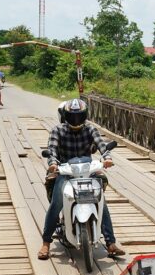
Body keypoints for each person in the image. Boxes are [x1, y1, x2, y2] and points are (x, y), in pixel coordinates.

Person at [38, 98, 126, 260]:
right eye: (73, 116)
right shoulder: (58, 130)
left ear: (84, 115)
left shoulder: (90, 130)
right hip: (65, 171)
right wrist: (53, 163)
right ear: (66, 115)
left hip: (87, 170)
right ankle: (46, 243)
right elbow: (52, 149)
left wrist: (107, 157)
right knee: (56, 202)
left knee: (101, 200)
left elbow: (101, 145)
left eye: (79, 116)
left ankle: (110, 242)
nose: (76, 119)